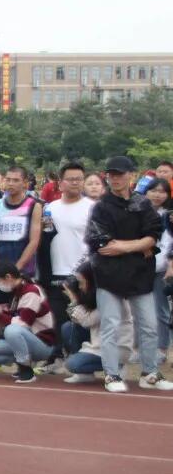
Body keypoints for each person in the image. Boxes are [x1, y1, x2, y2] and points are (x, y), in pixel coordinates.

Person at [85, 156, 173, 392]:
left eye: (120, 174)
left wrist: (125, 246)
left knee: (149, 325)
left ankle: (150, 373)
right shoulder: (101, 207)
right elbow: (101, 243)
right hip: (109, 274)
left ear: (131, 175)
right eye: (111, 174)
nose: (115, 178)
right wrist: (139, 245)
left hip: (140, 274)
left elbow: (153, 235)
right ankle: (111, 374)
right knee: (111, 325)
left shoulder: (142, 204)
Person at [41, 162, 95, 369]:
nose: (75, 183)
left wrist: (85, 269)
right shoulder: (49, 208)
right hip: (56, 271)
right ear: (60, 183)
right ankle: (56, 356)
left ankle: (80, 359)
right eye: (70, 179)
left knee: (82, 318)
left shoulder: (92, 207)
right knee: (57, 317)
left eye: (79, 179)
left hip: (83, 274)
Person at [0, 262, 55, 384]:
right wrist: (0, 309)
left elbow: (23, 324)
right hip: (24, 339)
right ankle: (20, 360)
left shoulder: (31, 291)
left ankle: (26, 369)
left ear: (8, 277)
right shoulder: (17, 291)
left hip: (42, 344)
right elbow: (16, 315)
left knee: (12, 330)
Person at [62, 259, 133, 384]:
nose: (79, 287)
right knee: (68, 327)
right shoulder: (95, 295)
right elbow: (76, 319)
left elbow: (87, 321)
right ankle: (85, 374)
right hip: (100, 343)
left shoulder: (110, 297)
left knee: (73, 364)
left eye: (81, 283)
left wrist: (74, 299)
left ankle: (117, 366)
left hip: (116, 347)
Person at [0, 166, 43, 307]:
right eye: (8, 179)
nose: (11, 183)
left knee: (23, 312)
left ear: (25, 183)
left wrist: (16, 269)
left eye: (16, 180)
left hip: (23, 271)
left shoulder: (33, 205)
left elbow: (34, 241)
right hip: (0, 272)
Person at [141, 177, 173, 361]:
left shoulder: (168, 216)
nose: (157, 195)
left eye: (162, 192)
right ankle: (140, 347)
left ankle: (162, 348)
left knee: (161, 310)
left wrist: (170, 265)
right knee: (140, 310)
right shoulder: (138, 213)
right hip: (139, 269)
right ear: (145, 192)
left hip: (161, 268)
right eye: (153, 191)